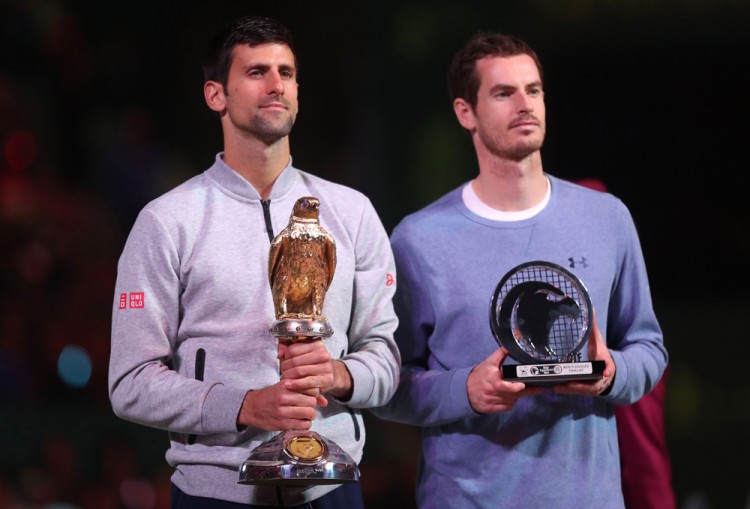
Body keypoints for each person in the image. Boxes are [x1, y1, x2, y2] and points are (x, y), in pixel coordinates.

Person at [108, 15, 400, 508]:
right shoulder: (167, 221)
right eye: (257, 72)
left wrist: (338, 375)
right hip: (217, 492)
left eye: (286, 73)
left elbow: (386, 360)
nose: (276, 85)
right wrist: (242, 406)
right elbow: (129, 383)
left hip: (332, 485)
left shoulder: (351, 212)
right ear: (216, 95)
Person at [372, 33, 668, 508]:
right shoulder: (418, 239)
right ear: (465, 112)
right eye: (503, 93)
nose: (524, 105)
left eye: (533, 90)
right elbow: (387, 384)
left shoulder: (606, 217)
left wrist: (612, 373)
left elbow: (649, 348)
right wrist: (465, 389)